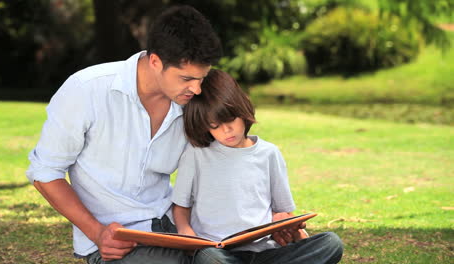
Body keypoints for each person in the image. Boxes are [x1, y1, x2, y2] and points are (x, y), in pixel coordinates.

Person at [26, 5, 222, 264]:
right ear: (155, 62)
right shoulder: (86, 90)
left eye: (202, 78)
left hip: (177, 229)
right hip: (118, 241)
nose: (197, 89)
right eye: (187, 78)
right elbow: (45, 172)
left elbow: (217, 164)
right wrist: (98, 234)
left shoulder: (191, 102)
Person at [172, 69, 344, 264]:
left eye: (229, 119)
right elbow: (180, 207)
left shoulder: (269, 154)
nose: (226, 130)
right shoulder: (196, 154)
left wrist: (295, 234)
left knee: (331, 243)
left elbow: (283, 213)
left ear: (241, 109)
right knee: (209, 259)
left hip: (265, 252)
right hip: (217, 253)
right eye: (214, 125)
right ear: (204, 126)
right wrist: (187, 235)